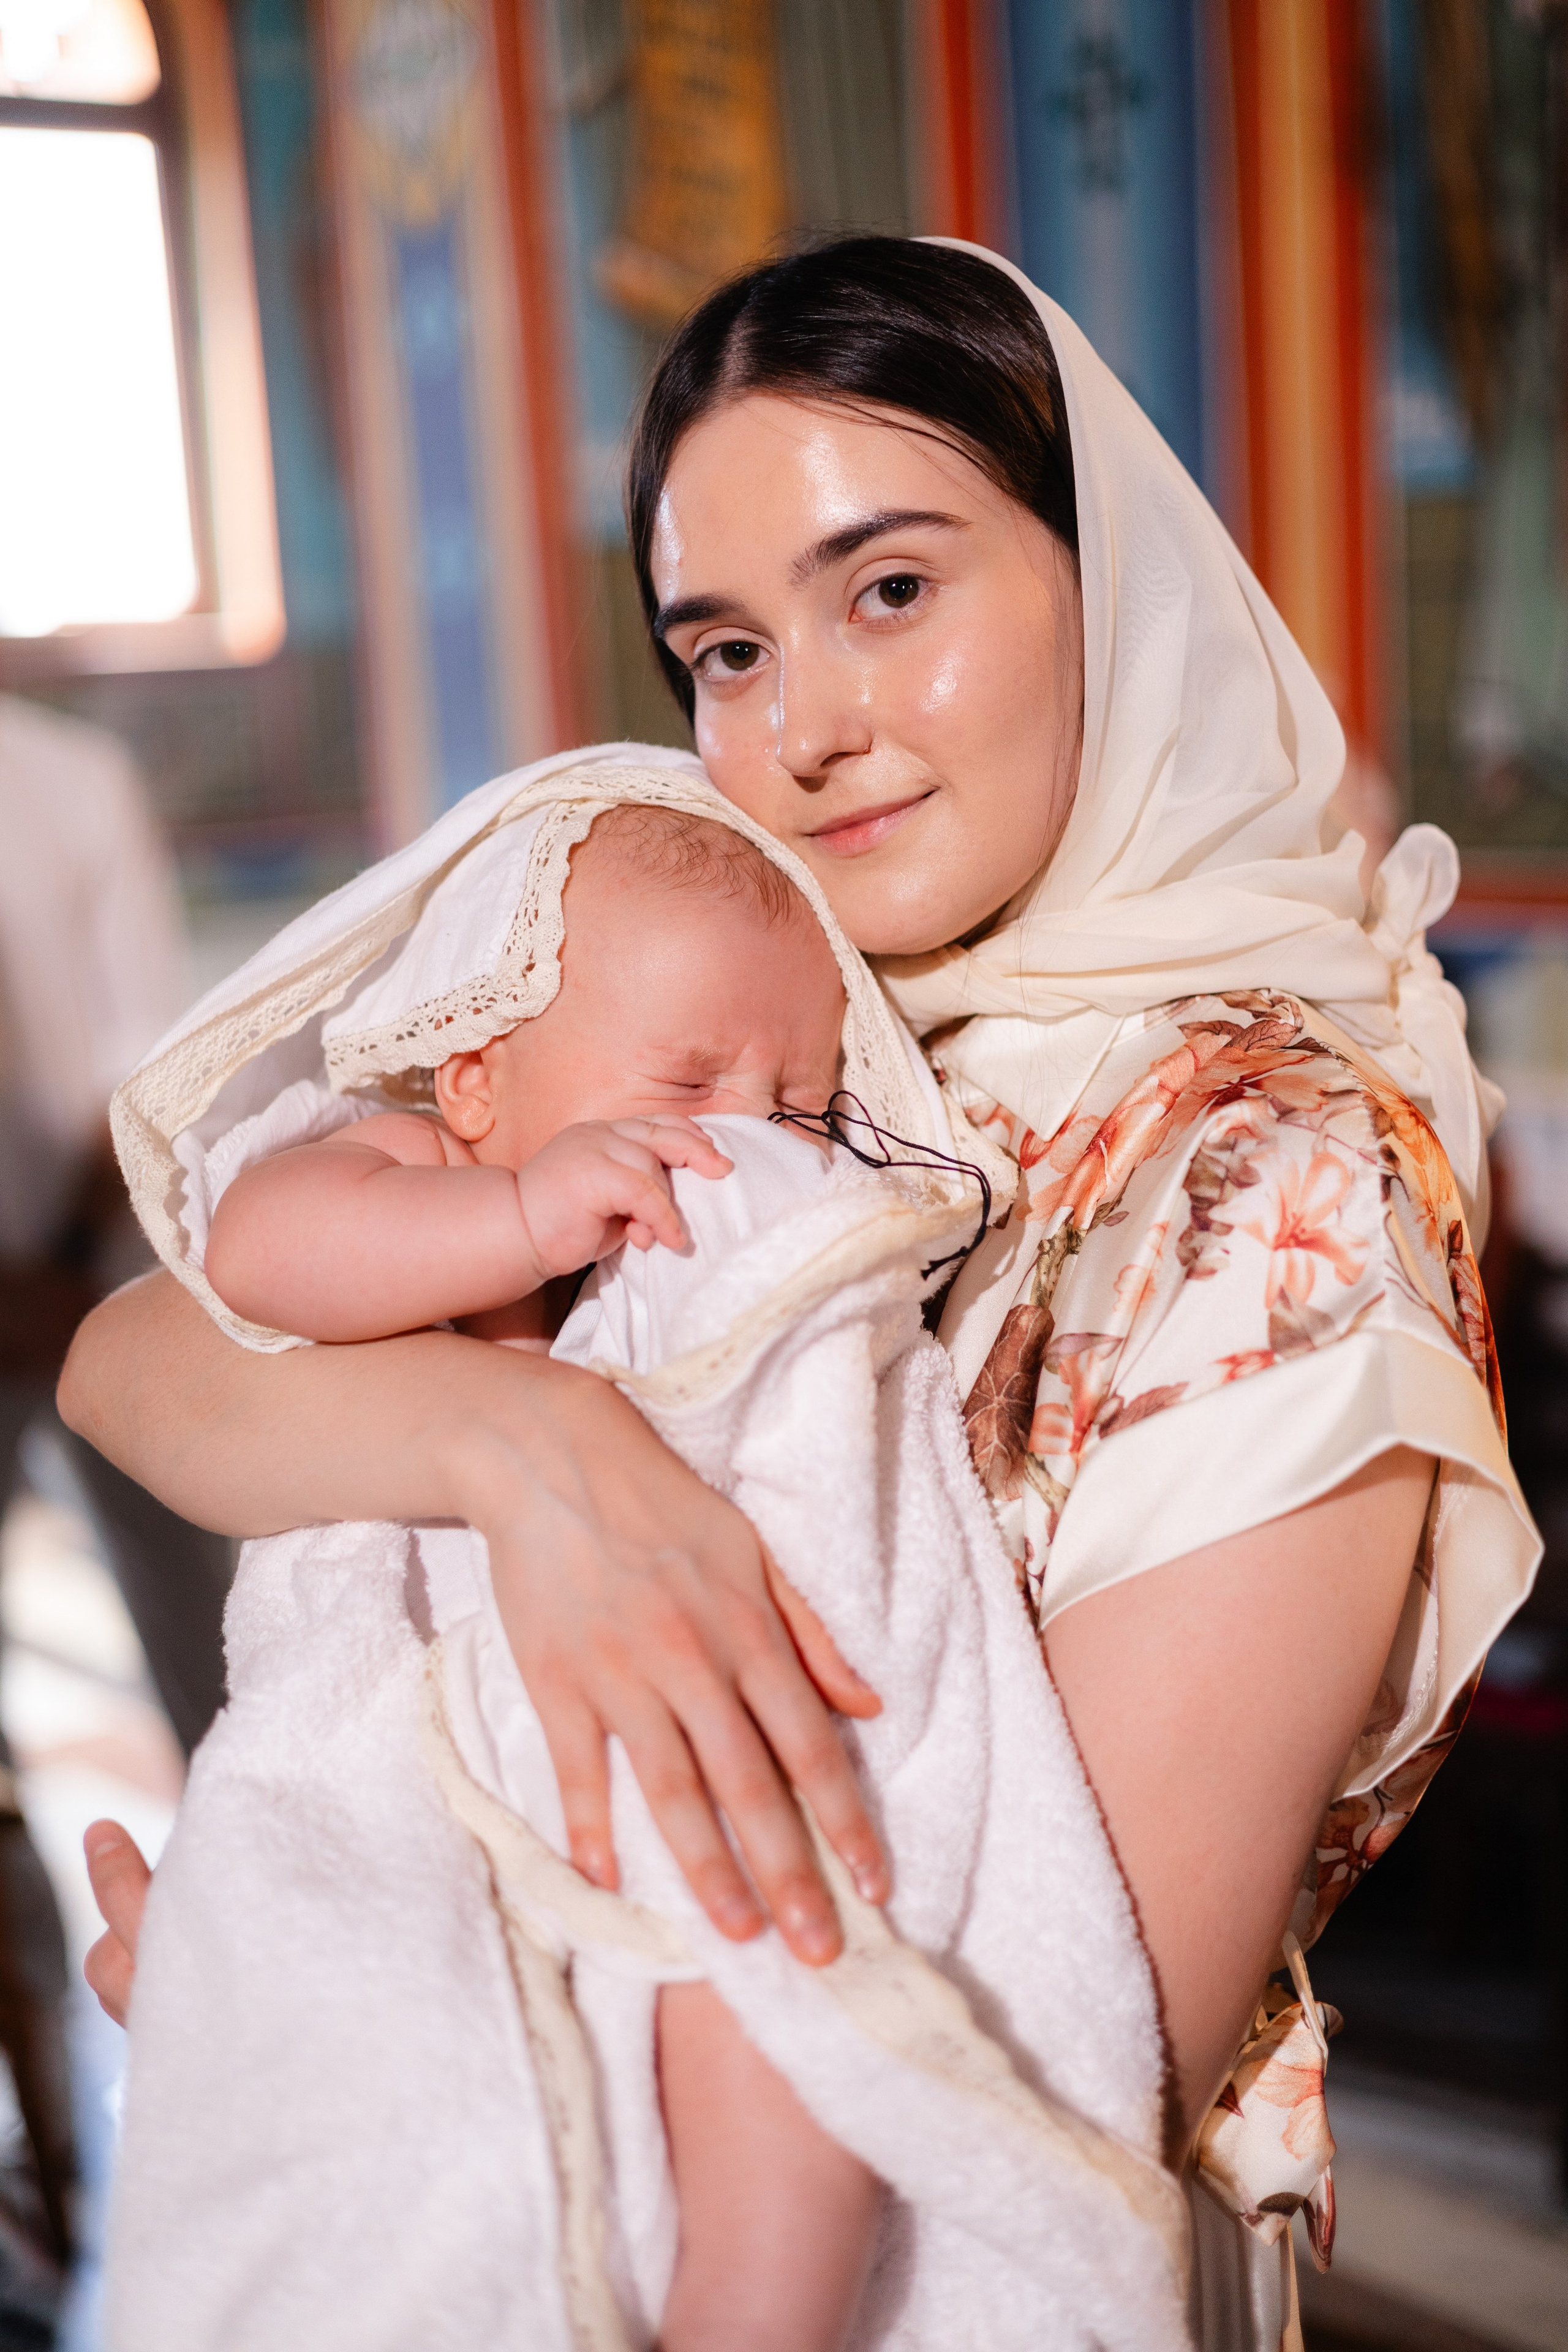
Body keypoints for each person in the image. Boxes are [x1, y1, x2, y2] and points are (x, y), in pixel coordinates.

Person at [62, 239, 1540, 2348]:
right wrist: (523, 1455)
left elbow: (1039, 2060)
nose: (812, 727)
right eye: (729, 650)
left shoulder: (1274, 1173)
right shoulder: (766, 998)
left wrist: (438, 2028)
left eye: (895, 591)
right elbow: (149, 1351)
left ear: (1098, 576)